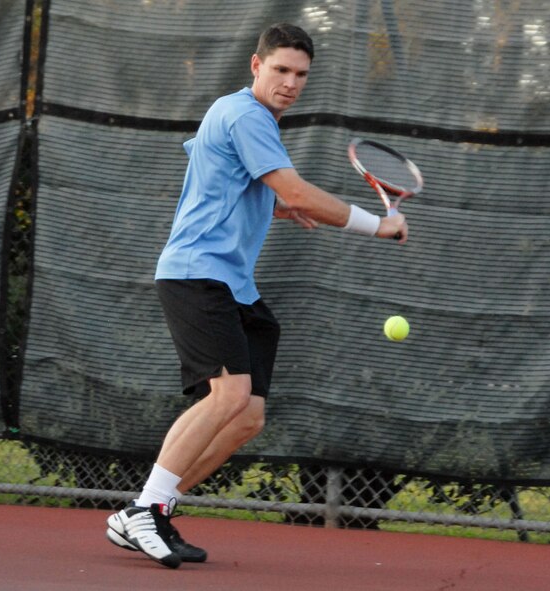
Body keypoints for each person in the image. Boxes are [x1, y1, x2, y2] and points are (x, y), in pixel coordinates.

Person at [105, 22, 408, 569]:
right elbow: (292, 187)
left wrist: (271, 205)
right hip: (198, 275)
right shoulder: (246, 113)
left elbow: (210, 169)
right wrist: (375, 225)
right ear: (256, 65)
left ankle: (152, 511)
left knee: (247, 416)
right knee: (227, 394)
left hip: (235, 285)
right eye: (281, 70)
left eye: (300, 75)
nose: (290, 82)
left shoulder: (241, 118)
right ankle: (144, 510)